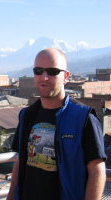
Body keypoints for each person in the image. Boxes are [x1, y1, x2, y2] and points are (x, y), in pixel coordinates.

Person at [7, 48, 107, 200]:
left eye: (52, 71)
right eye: (38, 70)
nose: (44, 77)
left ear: (66, 76)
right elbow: (21, 161)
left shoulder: (83, 118)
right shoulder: (27, 115)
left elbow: (97, 171)